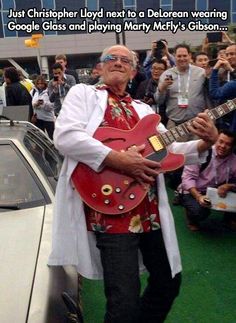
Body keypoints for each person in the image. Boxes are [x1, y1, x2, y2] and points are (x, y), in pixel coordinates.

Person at [48, 45, 218, 323]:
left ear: (134, 71)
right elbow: (66, 136)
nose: (117, 62)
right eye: (110, 58)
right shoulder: (83, 94)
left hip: (149, 211)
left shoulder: (144, 109)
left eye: (125, 60)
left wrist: (206, 141)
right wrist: (118, 160)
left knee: (168, 283)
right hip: (111, 213)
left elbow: (171, 148)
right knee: (123, 302)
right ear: (99, 68)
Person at [179, 130, 236, 231]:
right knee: (199, 212)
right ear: (216, 141)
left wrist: (229, 186)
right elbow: (187, 179)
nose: (223, 146)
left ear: (233, 147)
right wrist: (198, 196)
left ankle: (229, 219)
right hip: (195, 190)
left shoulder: (234, 160)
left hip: (216, 189)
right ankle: (191, 217)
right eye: (221, 141)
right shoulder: (202, 152)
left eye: (228, 144)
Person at [31, 75, 55, 140]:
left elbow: (52, 106)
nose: (40, 85)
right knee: (40, 138)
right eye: (38, 83)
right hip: (38, 118)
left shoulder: (48, 92)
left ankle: (54, 149)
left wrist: (43, 104)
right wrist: (36, 104)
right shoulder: (34, 92)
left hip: (48, 119)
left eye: (41, 83)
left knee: (52, 138)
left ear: (44, 83)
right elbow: (32, 104)